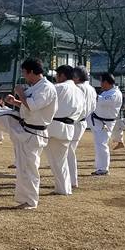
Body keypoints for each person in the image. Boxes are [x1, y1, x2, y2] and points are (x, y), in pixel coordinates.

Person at [4, 59, 57, 209]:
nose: (23, 76)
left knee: (30, 167)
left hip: (36, 131)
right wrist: (15, 101)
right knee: (23, 167)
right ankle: (24, 199)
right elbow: (29, 105)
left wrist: (20, 93)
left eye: (24, 72)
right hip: (27, 128)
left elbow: (33, 106)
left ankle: (31, 200)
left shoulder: (47, 88)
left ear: (31, 72)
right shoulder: (36, 87)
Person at [46, 65, 83, 195]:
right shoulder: (79, 91)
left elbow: (44, 102)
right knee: (61, 159)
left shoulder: (58, 88)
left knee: (56, 161)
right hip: (70, 125)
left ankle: (63, 189)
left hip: (55, 126)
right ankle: (65, 188)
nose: (56, 78)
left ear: (61, 75)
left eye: (57, 75)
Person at [88, 74, 123, 176]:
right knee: (99, 144)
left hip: (105, 123)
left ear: (106, 82)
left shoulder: (115, 94)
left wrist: (90, 94)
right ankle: (100, 166)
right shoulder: (107, 92)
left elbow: (102, 101)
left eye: (101, 82)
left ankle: (103, 168)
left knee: (102, 144)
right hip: (97, 119)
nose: (100, 84)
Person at [70, 67, 96, 188]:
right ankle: (70, 180)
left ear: (77, 77)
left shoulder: (78, 88)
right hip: (82, 121)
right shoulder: (91, 89)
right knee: (69, 151)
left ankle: (71, 180)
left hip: (75, 121)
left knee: (68, 152)